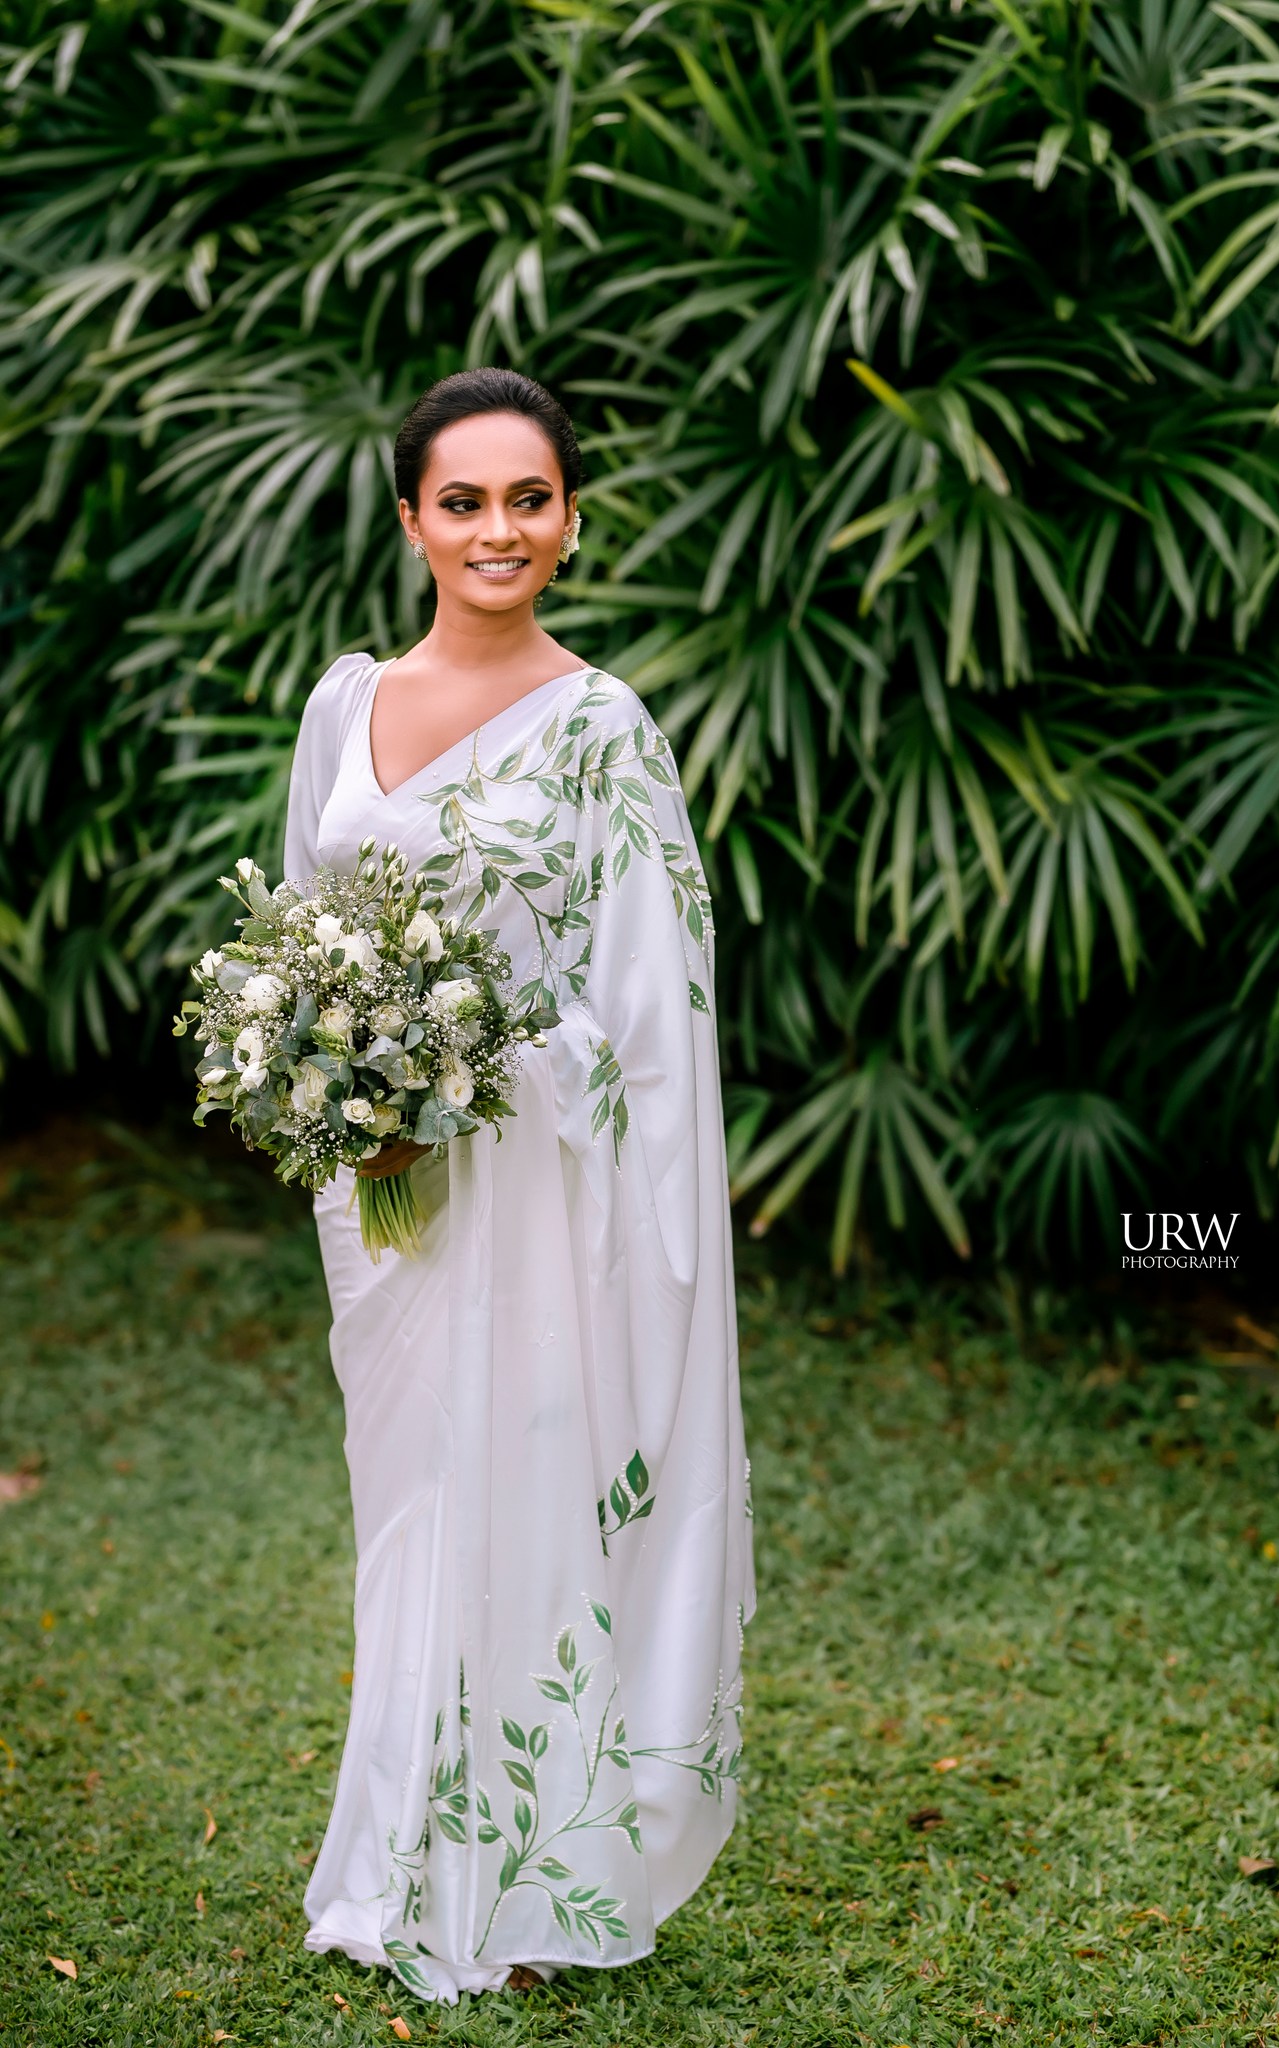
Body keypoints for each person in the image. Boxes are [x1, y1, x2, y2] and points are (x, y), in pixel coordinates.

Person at [281, 367, 756, 2001]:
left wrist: (468, 1083)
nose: (500, 529)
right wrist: (344, 1094)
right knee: (411, 1514)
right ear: (412, 518)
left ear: (570, 520)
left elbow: (652, 1008)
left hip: (542, 1197)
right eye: (466, 500)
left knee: (526, 1506)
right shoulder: (344, 707)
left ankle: (535, 1878)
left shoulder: (605, 731)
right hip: (381, 1206)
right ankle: (399, 1856)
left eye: (530, 499)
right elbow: (307, 937)